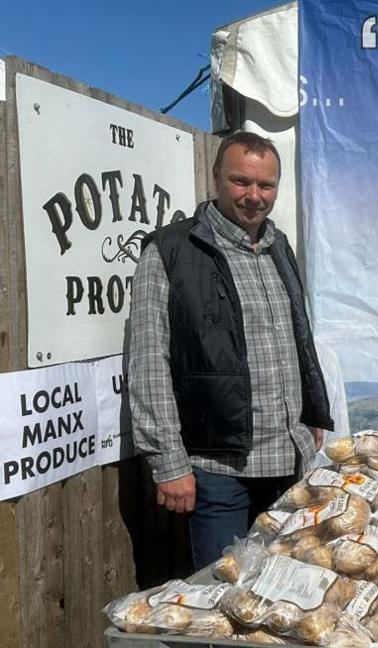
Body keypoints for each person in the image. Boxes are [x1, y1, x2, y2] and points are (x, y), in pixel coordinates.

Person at [128, 132, 333, 569]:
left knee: (283, 590)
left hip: (288, 462)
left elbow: (296, 336)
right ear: (216, 179)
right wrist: (168, 463)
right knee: (223, 599)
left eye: (266, 185)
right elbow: (149, 364)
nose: (255, 196)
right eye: (241, 182)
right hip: (217, 470)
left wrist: (312, 409)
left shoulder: (279, 246)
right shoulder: (171, 250)